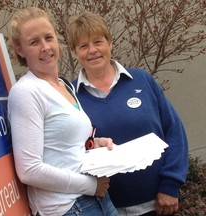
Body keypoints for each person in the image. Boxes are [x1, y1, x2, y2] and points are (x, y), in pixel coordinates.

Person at [67, 11, 189, 216]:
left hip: (159, 205)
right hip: (106, 209)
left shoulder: (141, 80)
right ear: (74, 52)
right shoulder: (70, 97)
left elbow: (174, 131)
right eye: (83, 46)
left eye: (98, 42)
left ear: (110, 43)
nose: (93, 50)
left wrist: (171, 185)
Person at [8, 7, 118, 216]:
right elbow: (29, 170)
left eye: (49, 37)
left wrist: (95, 144)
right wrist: (90, 186)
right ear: (20, 50)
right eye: (34, 42)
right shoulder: (26, 92)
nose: (45, 47)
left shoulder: (64, 85)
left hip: (97, 199)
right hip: (69, 207)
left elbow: (65, 148)